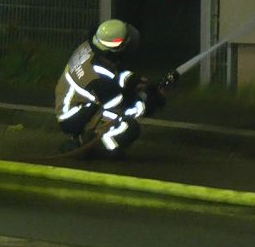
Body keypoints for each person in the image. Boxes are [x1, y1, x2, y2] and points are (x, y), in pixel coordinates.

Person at [54, 19, 176, 157]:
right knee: (129, 128)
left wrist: (133, 80)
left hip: (76, 101)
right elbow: (124, 106)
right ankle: (91, 145)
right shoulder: (99, 81)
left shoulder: (92, 48)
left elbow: (113, 75)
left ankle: (88, 134)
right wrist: (148, 100)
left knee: (114, 104)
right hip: (72, 116)